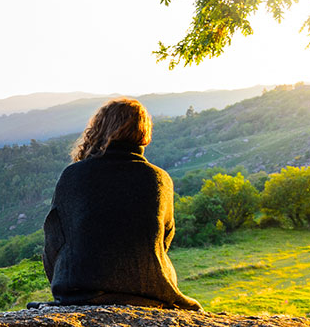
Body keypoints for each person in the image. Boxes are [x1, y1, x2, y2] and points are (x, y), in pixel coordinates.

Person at [38, 98, 201, 310]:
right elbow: (163, 241)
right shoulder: (159, 179)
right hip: (151, 292)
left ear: (99, 129)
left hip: (80, 292)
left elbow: (54, 242)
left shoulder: (73, 176)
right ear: (144, 135)